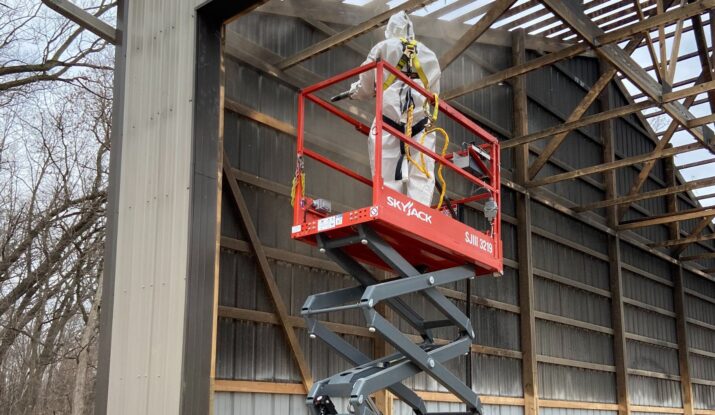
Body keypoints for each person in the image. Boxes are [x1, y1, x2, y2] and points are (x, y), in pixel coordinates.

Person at [349, 11, 441, 207]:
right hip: (420, 126)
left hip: (388, 123)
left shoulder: (382, 48)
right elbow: (434, 94)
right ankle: (419, 214)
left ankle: (391, 208)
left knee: (386, 170)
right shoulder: (430, 56)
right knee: (422, 171)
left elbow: (365, 85)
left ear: (390, 30)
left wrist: (354, 92)